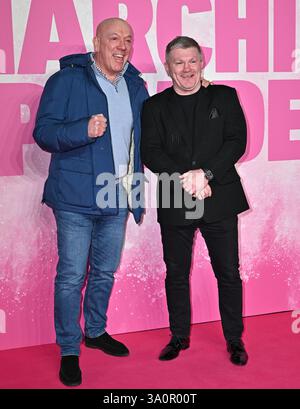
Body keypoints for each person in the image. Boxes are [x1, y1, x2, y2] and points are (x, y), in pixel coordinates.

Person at [33, 18, 148, 386]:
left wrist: (202, 93)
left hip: (117, 195)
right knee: (70, 276)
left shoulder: (135, 85)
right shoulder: (66, 80)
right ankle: (69, 347)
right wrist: (81, 129)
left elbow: (151, 133)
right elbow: (44, 132)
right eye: (114, 38)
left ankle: (95, 331)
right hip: (75, 199)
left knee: (103, 271)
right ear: (96, 41)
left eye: (128, 40)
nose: (123, 45)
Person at [141, 36, 249, 365]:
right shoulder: (154, 106)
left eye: (192, 61)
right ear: (168, 67)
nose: (186, 68)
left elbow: (236, 141)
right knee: (176, 272)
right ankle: (179, 336)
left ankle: (235, 339)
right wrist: (188, 177)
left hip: (219, 195)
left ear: (202, 62)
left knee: (228, 272)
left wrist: (207, 174)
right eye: (179, 62)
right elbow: (150, 153)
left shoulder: (225, 96)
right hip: (177, 193)